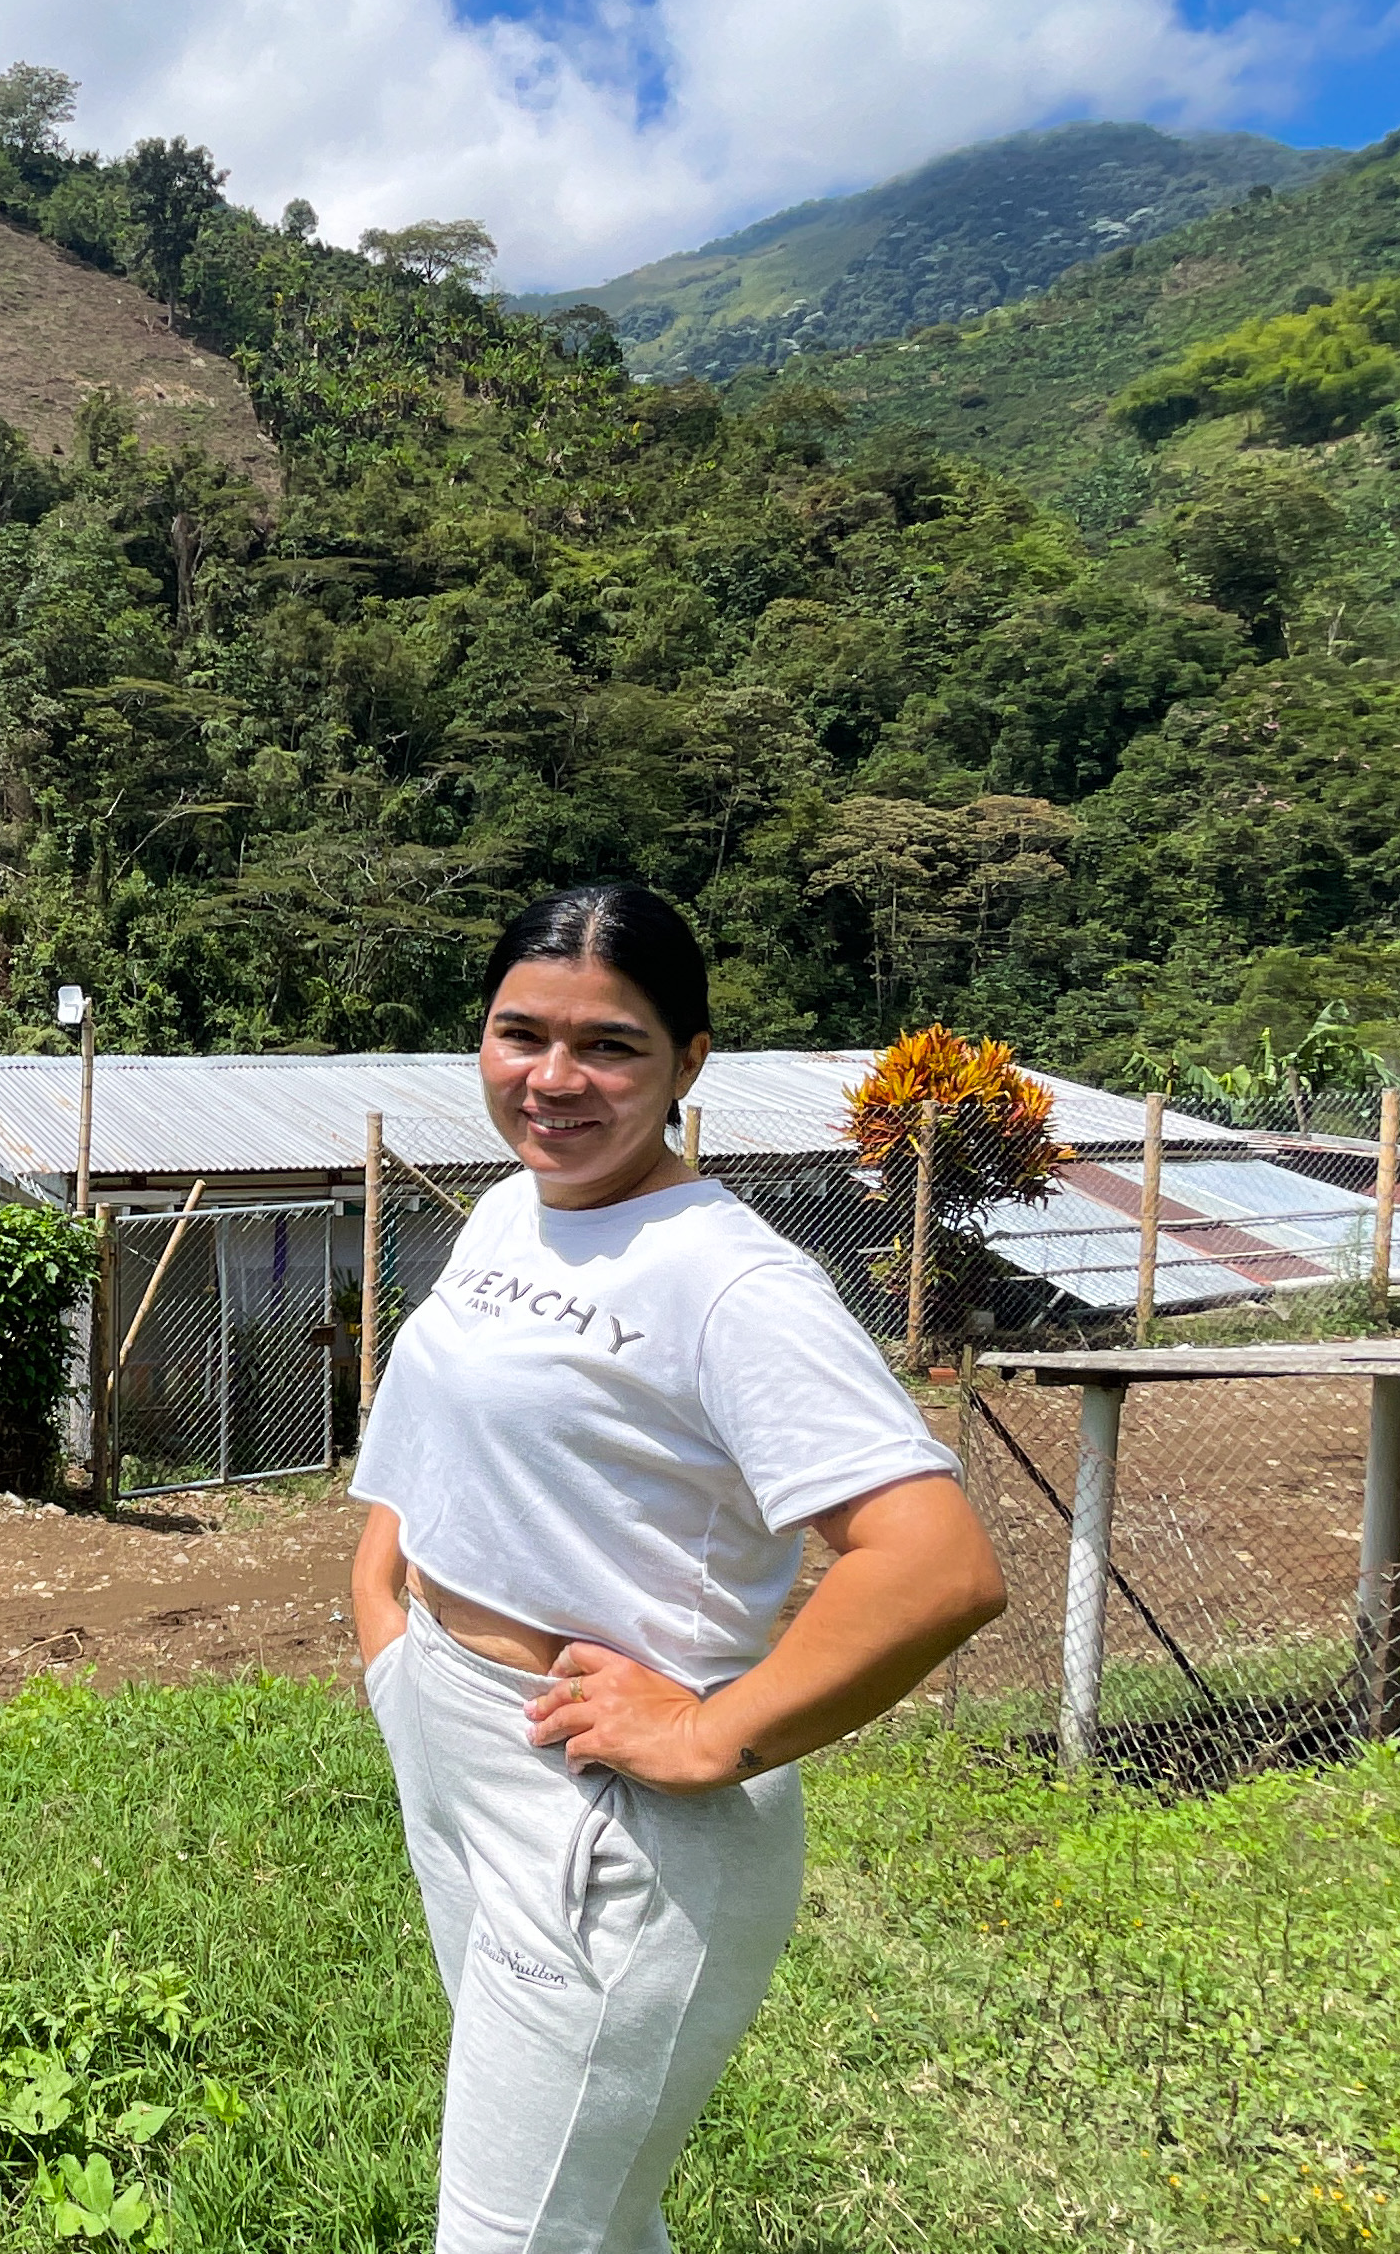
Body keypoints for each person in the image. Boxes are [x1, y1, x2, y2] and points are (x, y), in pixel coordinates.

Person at [348, 882, 1005, 2254]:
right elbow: (441, 1434)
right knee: (589, 2215)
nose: (554, 1079)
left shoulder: (727, 1281)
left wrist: (714, 1731)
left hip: (607, 1816)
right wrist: (393, 1627)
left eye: (610, 1045)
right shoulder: (512, 1214)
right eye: (519, 1033)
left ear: (690, 1061)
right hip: (458, 1736)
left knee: (510, 2235)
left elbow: (936, 1563)